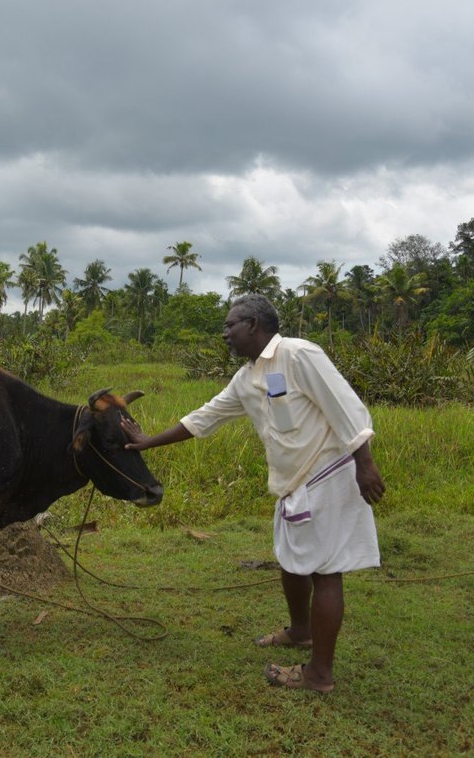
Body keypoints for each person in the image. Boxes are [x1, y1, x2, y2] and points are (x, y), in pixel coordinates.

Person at [121, 293, 384, 694]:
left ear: (254, 325)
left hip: (328, 472)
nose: (224, 333)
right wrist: (146, 442)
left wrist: (364, 463)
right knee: (291, 560)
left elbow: (344, 406)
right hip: (292, 483)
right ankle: (300, 631)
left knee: (326, 572)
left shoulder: (298, 355)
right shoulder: (246, 379)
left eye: (230, 326)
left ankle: (319, 674)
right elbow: (204, 418)